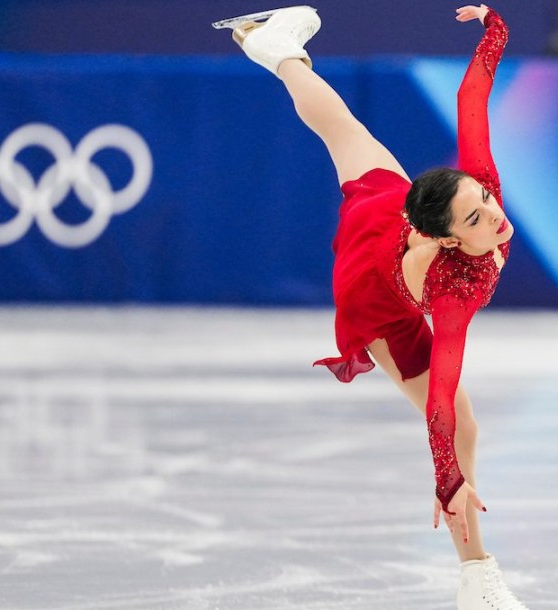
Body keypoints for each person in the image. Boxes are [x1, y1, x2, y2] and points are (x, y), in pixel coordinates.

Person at [225, 4, 528, 609]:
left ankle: (277, 49)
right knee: (463, 425)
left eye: (484, 200)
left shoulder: (474, 196)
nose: (494, 215)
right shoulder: (452, 292)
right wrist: (448, 478)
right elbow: (440, 397)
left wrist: (494, 28)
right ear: (449, 239)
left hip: (389, 209)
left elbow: (471, 99)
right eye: (475, 218)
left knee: (343, 127)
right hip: (374, 294)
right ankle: (479, 578)